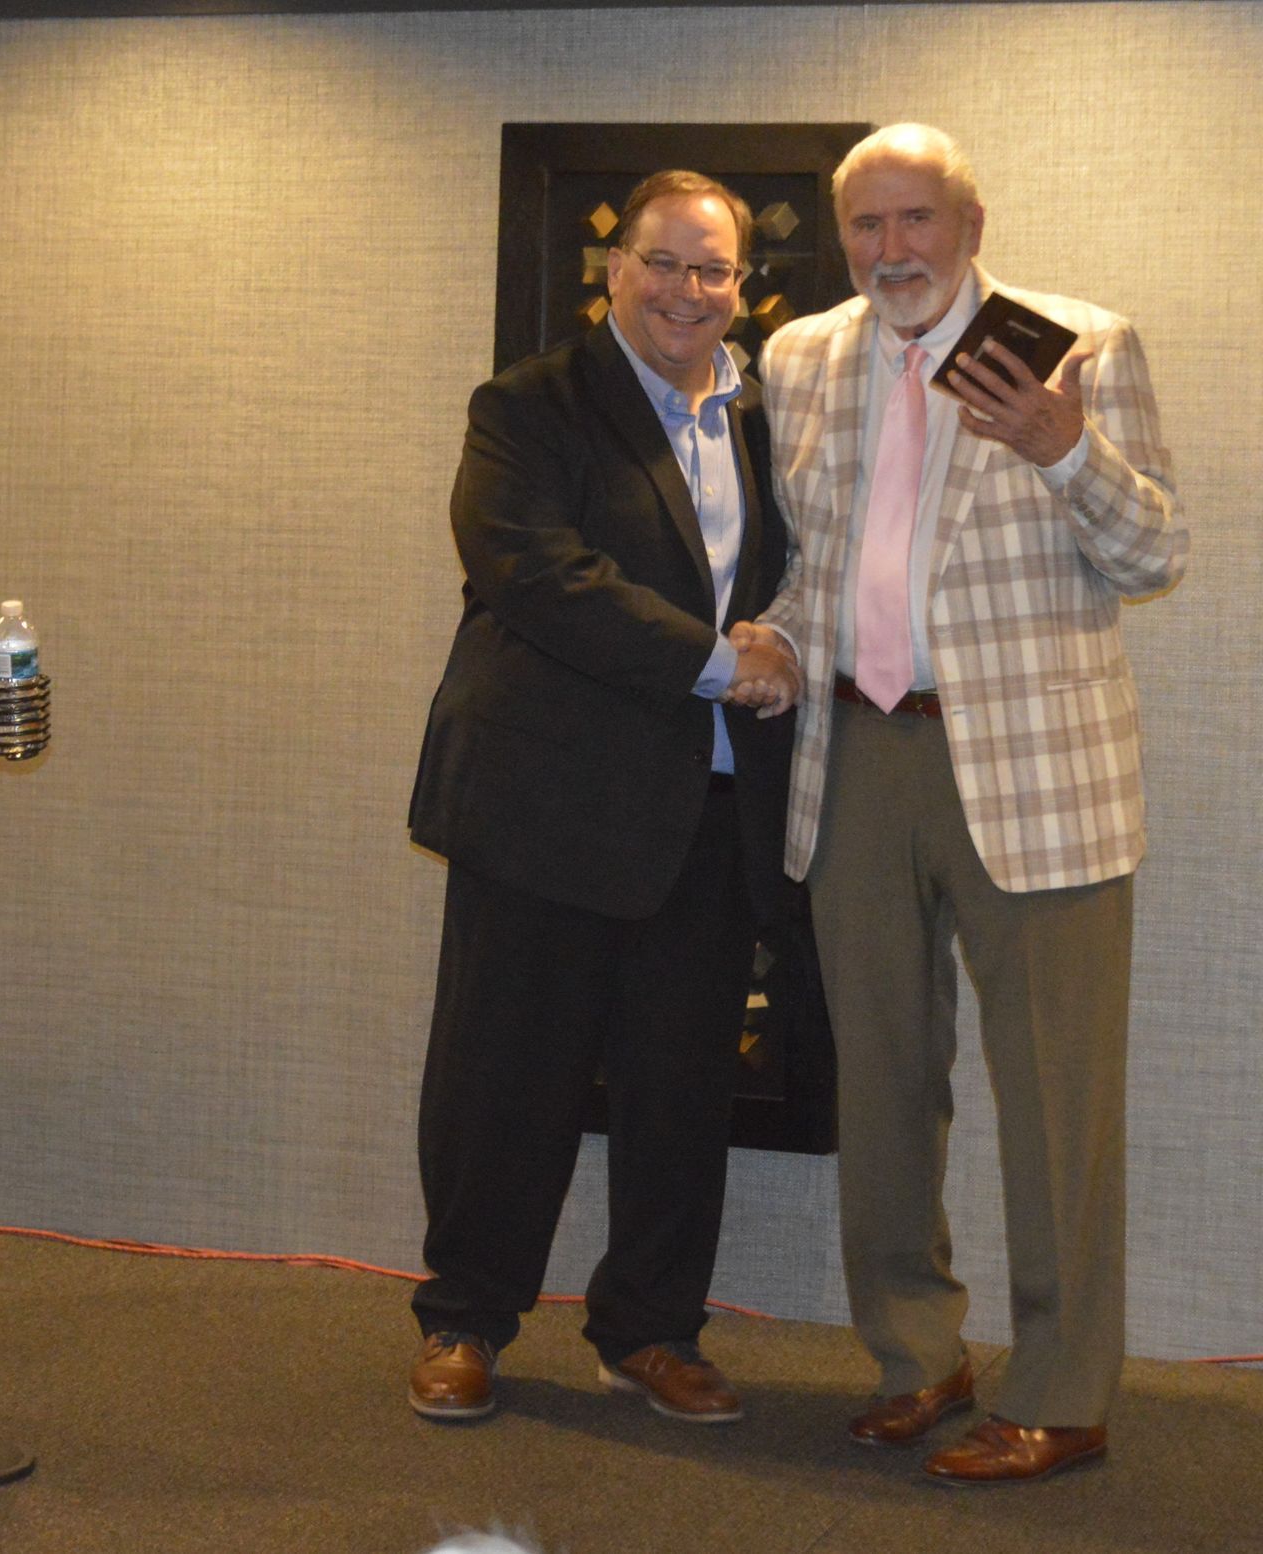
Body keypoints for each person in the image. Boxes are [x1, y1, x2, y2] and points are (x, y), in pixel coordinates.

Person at [741, 123, 1186, 1483]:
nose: (891, 251)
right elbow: (816, 557)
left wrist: (1063, 446)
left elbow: (1154, 548)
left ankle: (1062, 1389)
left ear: (970, 225)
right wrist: (765, 640)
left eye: (916, 221)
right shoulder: (800, 355)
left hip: (1037, 768)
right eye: (866, 226)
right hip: (858, 753)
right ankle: (915, 1356)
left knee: (1057, 1096)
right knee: (879, 1082)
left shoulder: (1082, 346)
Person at [404, 170, 798, 1425]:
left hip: (709, 809)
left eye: (714, 269)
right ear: (613, 269)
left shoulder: (766, 421)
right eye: (664, 262)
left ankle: (651, 1331)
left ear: (744, 285)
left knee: (683, 1085)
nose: (689, 290)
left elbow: (806, 568)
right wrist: (721, 658)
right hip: (544, 802)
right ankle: (465, 1319)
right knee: (502, 1076)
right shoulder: (528, 406)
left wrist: (784, 641)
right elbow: (533, 572)